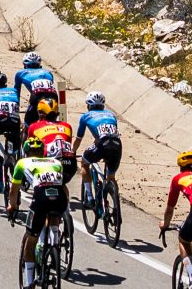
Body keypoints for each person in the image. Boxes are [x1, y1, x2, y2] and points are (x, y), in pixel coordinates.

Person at [11, 138, 72, 283]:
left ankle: (30, 282)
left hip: (41, 199)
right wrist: (66, 210)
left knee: (30, 241)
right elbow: (63, 187)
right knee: (54, 214)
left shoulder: (22, 163)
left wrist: (12, 207)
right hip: (60, 199)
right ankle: (54, 243)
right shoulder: (55, 162)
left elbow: (13, 191)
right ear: (43, 152)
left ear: (26, 152)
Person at [75, 91, 123, 196]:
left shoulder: (86, 116)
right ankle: (116, 206)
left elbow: (79, 138)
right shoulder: (111, 115)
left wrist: (72, 151)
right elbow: (110, 134)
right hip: (117, 144)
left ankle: (89, 196)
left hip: (101, 144)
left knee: (84, 162)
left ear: (88, 105)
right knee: (111, 177)